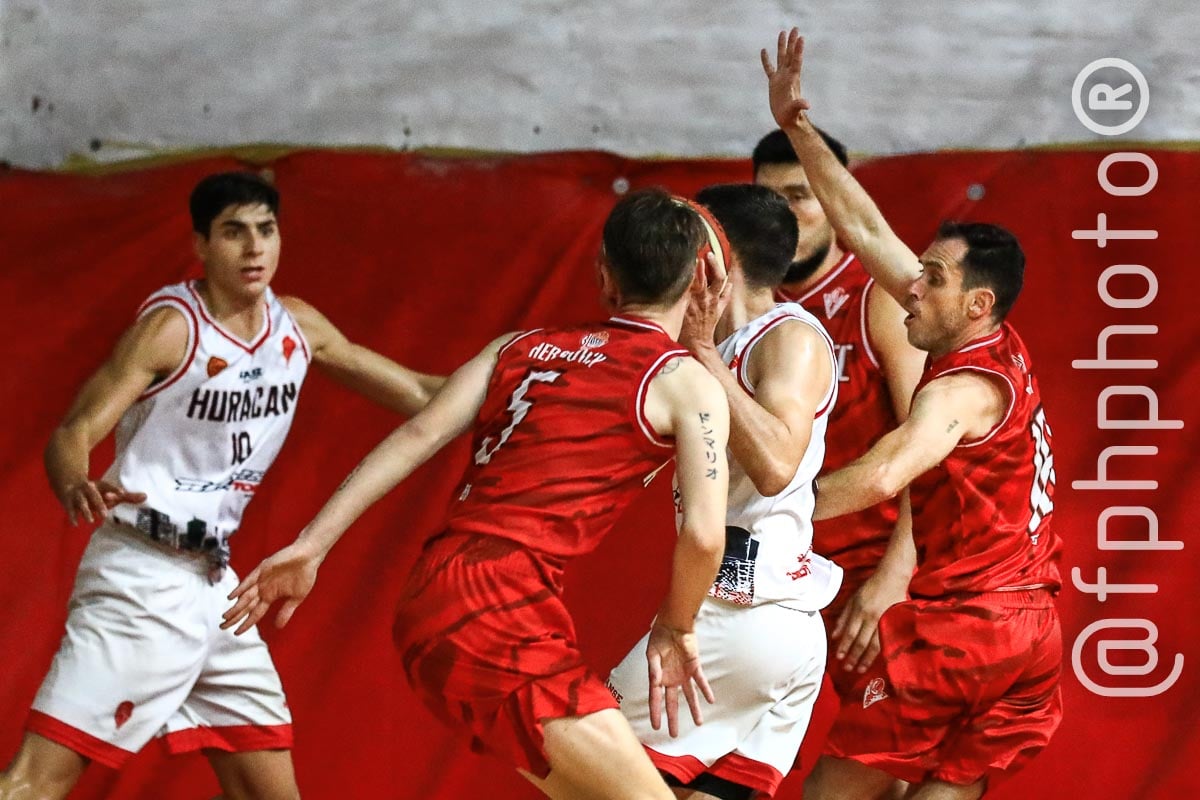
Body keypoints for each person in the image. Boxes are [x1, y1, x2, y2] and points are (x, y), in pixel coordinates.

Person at [221, 188, 735, 800]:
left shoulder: (516, 348)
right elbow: (705, 535)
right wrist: (676, 627)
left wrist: (312, 545)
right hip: (498, 603)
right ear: (704, 283)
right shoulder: (684, 382)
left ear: (604, 274)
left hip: (434, 595)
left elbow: (420, 430)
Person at [0, 171, 446, 800]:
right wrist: (75, 480)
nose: (254, 248)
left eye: (266, 230)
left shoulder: (298, 327)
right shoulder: (172, 328)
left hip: (217, 592)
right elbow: (73, 430)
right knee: (36, 784)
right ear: (200, 245)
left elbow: (422, 395)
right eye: (234, 233)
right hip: (141, 578)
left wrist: (521, 374)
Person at [762, 29, 1063, 800]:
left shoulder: (957, 392)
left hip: (965, 627)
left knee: (833, 794)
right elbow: (863, 228)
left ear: (974, 302)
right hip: (1030, 631)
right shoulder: (985, 333)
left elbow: (887, 471)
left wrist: (772, 506)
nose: (910, 287)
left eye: (928, 277)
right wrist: (798, 125)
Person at [608, 183, 843, 800]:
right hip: (766, 622)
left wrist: (704, 353)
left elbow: (776, 466)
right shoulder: (707, 347)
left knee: (576, 757)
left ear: (714, 256)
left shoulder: (788, 337)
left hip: (740, 611)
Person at [753, 128, 925, 692]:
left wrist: (895, 578)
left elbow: (931, 449)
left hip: (872, 570)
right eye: (769, 200)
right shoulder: (746, 311)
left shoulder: (875, 297)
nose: (785, 215)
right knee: (715, 740)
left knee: (885, 758)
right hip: (773, 566)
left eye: (800, 195)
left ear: (834, 202)